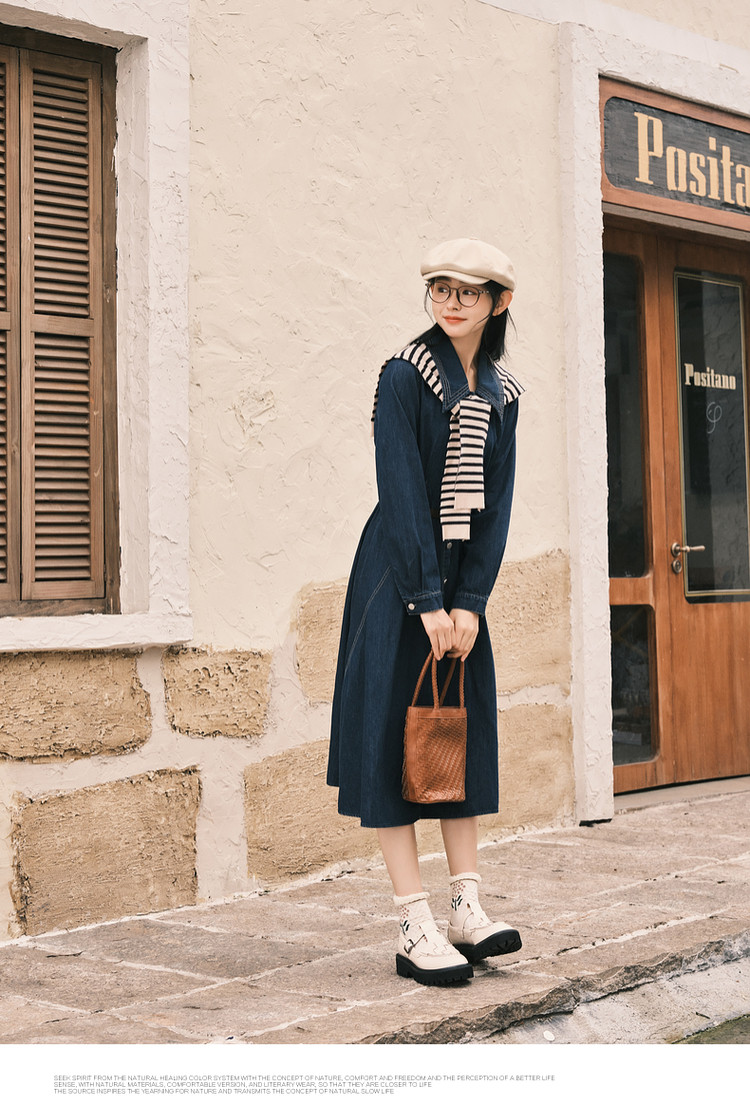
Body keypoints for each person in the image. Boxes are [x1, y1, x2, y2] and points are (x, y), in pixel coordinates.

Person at [327, 238, 523, 986]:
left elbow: (496, 507)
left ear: (499, 302)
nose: (452, 302)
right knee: (393, 744)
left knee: (456, 738)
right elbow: (402, 488)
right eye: (441, 288)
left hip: (457, 583)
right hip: (398, 577)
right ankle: (414, 923)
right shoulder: (405, 375)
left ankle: (467, 908)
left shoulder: (502, 395)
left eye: (469, 292)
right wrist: (426, 601)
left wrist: (470, 602)